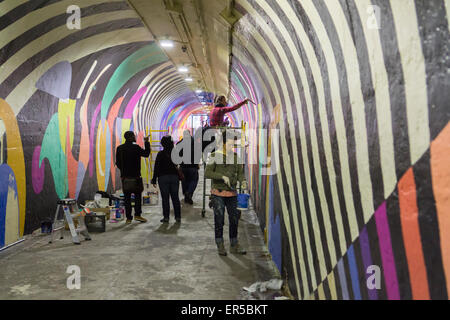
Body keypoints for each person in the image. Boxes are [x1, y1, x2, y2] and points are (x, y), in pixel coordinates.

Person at [205, 131, 248, 256]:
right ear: (222, 144)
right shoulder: (214, 156)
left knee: (234, 219)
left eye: (232, 145)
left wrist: (243, 182)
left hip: (232, 194)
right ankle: (220, 245)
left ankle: (234, 244)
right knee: (219, 220)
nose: (231, 147)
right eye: (229, 145)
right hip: (218, 193)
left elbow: (240, 173)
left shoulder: (235, 157)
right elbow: (208, 173)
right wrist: (222, 176)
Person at [115, 131, 150, 225]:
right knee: (138, 196)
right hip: (136, 176)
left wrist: (124, 171)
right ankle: (137, 215)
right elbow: (146, 154)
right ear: (130, 137)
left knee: (127, 198)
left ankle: (128, 218)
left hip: (125, 177)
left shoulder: (120, 148)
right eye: (133, 136)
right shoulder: (136, 148)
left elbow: (117, 163)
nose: (135, 137)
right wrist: (146, 142)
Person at [151, 136, 181, 223]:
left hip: (163, 178)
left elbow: (156, 167)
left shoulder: (160, 154)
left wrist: (154, 179)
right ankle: (178, 217)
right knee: (175, 197)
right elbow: (180, 163)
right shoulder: (175, 153)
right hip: (174, 177)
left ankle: (166, 217)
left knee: (165, 198)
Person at [176, 130, 200, 205]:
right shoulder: (196, 143)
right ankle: (189, 193)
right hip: (193, 166)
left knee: (184, 181)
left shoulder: (179, 144)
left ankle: (186, 195)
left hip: (183, 166)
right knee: (193, 180)